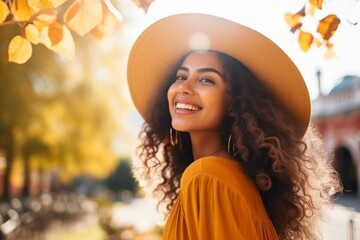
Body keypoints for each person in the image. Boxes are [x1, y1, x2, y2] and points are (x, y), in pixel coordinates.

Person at [127, 13, 341, 240]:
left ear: (236, 102)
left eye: (206, 79)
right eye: (181, 76)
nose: (184, 88)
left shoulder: (207, 176)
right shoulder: (237, 178)